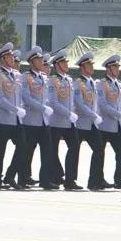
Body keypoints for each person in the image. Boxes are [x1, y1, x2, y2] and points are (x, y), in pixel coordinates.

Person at [0, 42, 27, 190]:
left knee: (24, 147)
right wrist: (15, 109)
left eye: (12, 56)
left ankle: (10, 176)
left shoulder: (17, 75)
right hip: (2, 119)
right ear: (3, 59)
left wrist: (21, 110)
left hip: (16, 120)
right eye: (9, 56)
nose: (12, 58)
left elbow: (20, 96)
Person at [96, 54, 121, 190]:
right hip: (105, 125)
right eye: (115, 67)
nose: (117, 69)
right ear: (108, 69)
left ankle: (119, 180)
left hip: (116, 125)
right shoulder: (102, 84)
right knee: (100, 154)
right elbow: (102, 104)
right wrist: (118, 114)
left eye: (118, 67)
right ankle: (98, 180)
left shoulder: (117, 84)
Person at [21, 46, 56, 190]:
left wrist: (47, 106)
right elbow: (26, 98)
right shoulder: (26, 77)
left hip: (43, 120)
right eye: (39, 59)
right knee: (28, 151)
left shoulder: (43, 77)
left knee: (48, 151)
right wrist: (43, 108)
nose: (42, 61)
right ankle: (23, 179)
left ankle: (45, 180)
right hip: (31, 120)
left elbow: (45, 97)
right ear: (32, 61)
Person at [47, 49, 81, 190]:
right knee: (52, 150)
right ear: (57, 65)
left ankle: (70, 179)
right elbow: (54, 102)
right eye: (63, 62)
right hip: (55, 120)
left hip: (69, 121)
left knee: (75, 146)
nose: (66, 64)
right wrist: (68, 114)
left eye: (66, 62)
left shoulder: (69, 80)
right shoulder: (52, 80)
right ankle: (55, 176)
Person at [73, 52, 106, 190]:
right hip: (81, 122)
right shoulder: (77, 82)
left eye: (92, 64)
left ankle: (95, 181)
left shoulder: (92, 82)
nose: (91, 67)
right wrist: (94, 115)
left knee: (99, 149)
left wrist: (96, 116)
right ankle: (70, 180)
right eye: (89, 65)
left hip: (92, 123)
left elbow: (95, 102)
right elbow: (79, 103)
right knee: (74, 151)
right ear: (82, 67)